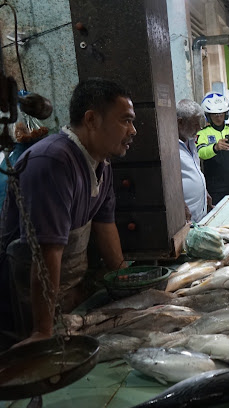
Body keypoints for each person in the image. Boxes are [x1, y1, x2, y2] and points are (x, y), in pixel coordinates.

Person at [0, 78, 135, 343]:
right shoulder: (53, 162)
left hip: (65, 294)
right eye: (125, 120)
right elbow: (46, 251)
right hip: (22, 306)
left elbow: (105, 226)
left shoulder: (101, 164)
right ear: (92, 119)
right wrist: (43, 331)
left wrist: (125, 282)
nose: (133, 130)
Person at [177, 99, 211, 223]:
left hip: (200, 213)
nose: (199, 129)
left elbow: (196, 170)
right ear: (180, 122)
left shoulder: (191, 142)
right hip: (185, 217)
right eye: (195, 124)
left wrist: (204, 192)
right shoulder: (170, 147)